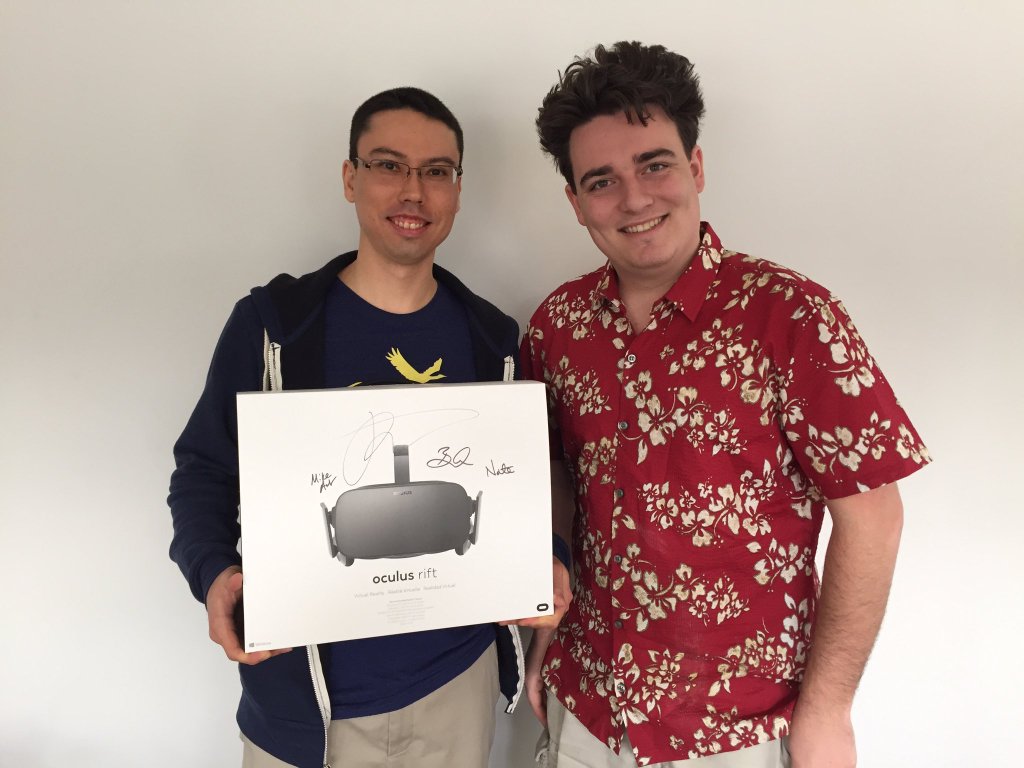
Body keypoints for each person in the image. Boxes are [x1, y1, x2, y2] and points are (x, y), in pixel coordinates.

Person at [520, 42, 930, 768]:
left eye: (654, 165)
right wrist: (547, 620)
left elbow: (874, 518)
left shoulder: (792, 316)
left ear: (696, 167)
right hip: (586, 710)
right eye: (602, 181)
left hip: (736, 731)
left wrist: (828, 712)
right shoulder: (559, 326)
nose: (635, 199)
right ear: (576, 203)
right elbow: (558, 481)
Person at [169, 87, 533, 768]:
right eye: (388, 165)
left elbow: (522, 488)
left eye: (436, 171)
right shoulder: (275, 326)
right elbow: (204, 473)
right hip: (304, 699)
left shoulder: (493, 338)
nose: (413, 191)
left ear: (458, 190)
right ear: (350, 177)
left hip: (456, 683)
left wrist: (551, 560)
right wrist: (213, 570)